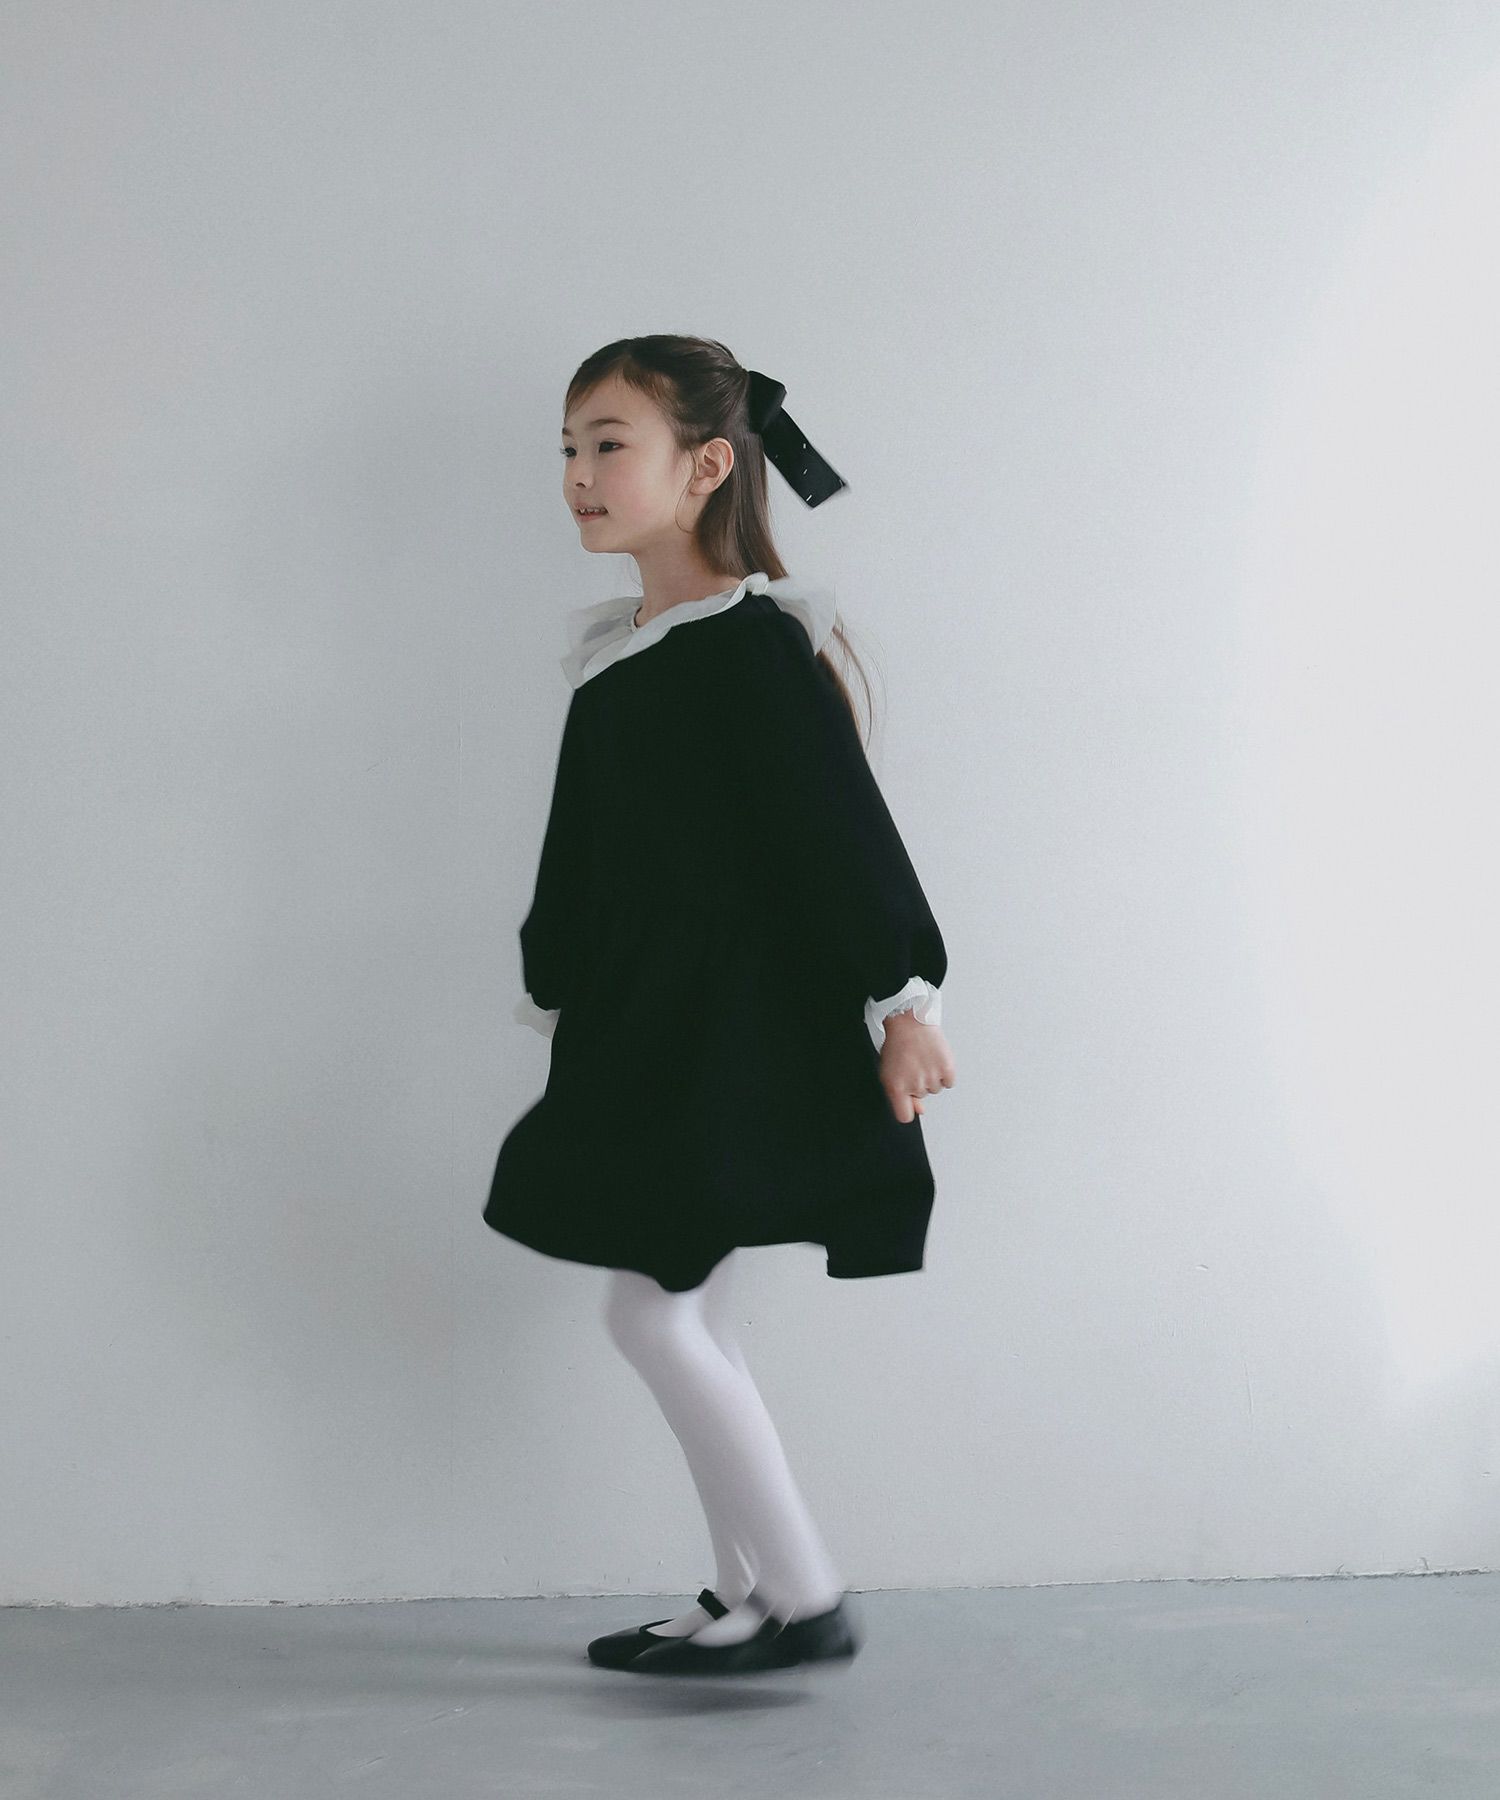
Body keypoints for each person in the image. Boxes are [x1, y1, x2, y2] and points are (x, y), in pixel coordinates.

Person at [483, 336, 957, 1676]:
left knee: (652, 1314)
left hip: (724, 1038)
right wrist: (563, 988)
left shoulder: (749, 650)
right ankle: (747, 1596)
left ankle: (803, 1596)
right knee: (688, 1312)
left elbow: (840, 835)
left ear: (704, 467)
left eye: (608, 444)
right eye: (568, 448)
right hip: (650, 1034)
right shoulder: (628, 652)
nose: (578, 475)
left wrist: (905, 999)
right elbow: (587, 855)